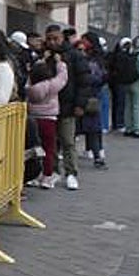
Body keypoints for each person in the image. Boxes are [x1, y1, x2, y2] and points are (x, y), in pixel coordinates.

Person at [43, 24, 92, 190]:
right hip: (47, 105)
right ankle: (53, 171)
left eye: (55, 38)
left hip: (67, 105)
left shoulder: (74, 55)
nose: (52, 42)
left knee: (68, 141)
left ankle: (71, 173)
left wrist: (80, 104)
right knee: (50, 141)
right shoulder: (45, 55)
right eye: (49, 39)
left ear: (62, 38)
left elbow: (84, 81)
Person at [25, 51, 68, 189]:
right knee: (49, 149)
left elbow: (29, 79)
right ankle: (47, 177)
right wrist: (60, 63)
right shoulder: (51, 85)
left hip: (33, 119)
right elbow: (62, 78)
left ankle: (33, 176)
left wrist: (39, 62)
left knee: (34, 149)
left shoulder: (30, 88)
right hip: (49, 120)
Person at [79, 34, 108, 168]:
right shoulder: (95, 58)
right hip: (90, 95)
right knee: (92, 126)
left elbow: (98, 77)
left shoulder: (93, 61)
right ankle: (96, 153)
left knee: (92, 126)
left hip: (90, 95)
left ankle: (97, 153)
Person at [108, 36, 137, 133]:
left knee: (117, 103)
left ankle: (116, 123)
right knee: (121, 103)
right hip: (121, 82)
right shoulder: (123, 56)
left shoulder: (116, 55)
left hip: (117, 82)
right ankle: (119, 123)